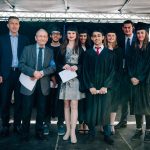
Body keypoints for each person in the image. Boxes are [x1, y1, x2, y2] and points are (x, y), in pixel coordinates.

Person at [19, 29, 56, 141]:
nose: (42, 38)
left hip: (43, 85)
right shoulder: (27, 49)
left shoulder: (50, 51)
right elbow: (21, 64)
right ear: (35, 38)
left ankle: (39, 132)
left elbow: (53, 67)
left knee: (41, 110)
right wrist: (33, 72)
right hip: (28, 84)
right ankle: (24, 133)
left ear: (47, 38)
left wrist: (42, 73)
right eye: (40, 36)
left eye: (44, 36)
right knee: (26, 110)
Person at [82, 29, 115, 145]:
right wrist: (90, 86)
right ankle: (92, 134)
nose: (96, 38)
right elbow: (84, 71)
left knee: (105, 111)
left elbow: (112, 72)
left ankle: (107, 134)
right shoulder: (87, 53)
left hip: (105, 88)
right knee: (91, 111)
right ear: (91, 38)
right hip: (92, 88)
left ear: (103, 37)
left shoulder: (110, 54)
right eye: (94, 36)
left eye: (98, 36)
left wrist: (106, 86)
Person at [0, 16, 29, 137]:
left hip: (20, 74)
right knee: (4, 101)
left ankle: (17, 125)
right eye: (11, 23)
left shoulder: (25, 39)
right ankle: (5, 126)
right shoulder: (1, 39)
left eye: (16, 23)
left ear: (19, 25)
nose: (14, 25)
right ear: (7, 25)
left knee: (19, 101)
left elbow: (27, 58)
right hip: (6, 74)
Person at [57, 26, 85, 144]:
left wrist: (77, 67)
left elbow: (84, 64)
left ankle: (73, 131)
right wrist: (63, 66)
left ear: (76, 34)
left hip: (75, 79)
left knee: (74, 105)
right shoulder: (61, 47)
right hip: (64, 78)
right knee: (66, 104)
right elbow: (56, 62)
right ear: (66, 35)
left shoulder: (80, 48)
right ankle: (67, 130)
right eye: (69, 33)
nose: (71, 35)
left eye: (73, 33)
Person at [128, 22, 150, 142]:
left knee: (147, 107)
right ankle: (138, 130)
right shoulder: (133, 47)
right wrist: (132, 76)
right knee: (137, 106)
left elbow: (148, 65)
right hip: (134, 82)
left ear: (146, 33)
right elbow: (129, 64)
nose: (140, 35)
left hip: (146, 82)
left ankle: (148, 131)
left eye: (142, 32)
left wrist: (140, 78)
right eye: (138, 33)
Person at [43, 26, 65, 136]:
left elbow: (64, 64)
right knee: (47, 102)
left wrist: (57, 77)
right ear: (50, 36)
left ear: (60, 36)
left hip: (61, 79)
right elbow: (45, 64)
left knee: (60, 102)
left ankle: (60, 124)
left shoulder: (64, 48)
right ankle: (46, 124)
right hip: (47, 78)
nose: (56, 35)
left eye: (58, 34)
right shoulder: (46, 48)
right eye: (53, 34)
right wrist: (51, 76)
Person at [115, 20, 136, 129]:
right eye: (125, 28)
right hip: (123, 74)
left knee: (137, 100)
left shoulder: (139, 39)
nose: (127, 29)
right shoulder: (120, 39)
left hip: (136, 76)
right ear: (123, 28)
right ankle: (123, 121)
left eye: (129, 27)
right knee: (123, 99)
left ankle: (139, 126)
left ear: (133, 28)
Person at [104, 30, 123, 135]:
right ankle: (104, 124)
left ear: (116, 37)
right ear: (106, 37)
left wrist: (116, 80)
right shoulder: (103, 49)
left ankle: (111, 125)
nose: (111, 37)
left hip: (115, 82)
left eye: (113, 35)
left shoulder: (119, 50)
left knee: (113, 104)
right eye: (109, 35)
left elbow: (120, 68)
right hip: (104, 81)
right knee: (105, 104)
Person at [78, 28, 91, 133]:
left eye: (85, 36)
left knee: (88, 102)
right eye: (81, 36)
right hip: (79, 78)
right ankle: (80, 122)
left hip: (89, 79)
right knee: (80, 102)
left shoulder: (90, 47)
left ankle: (86, 122)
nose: (82, 38)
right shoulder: (76, 47)